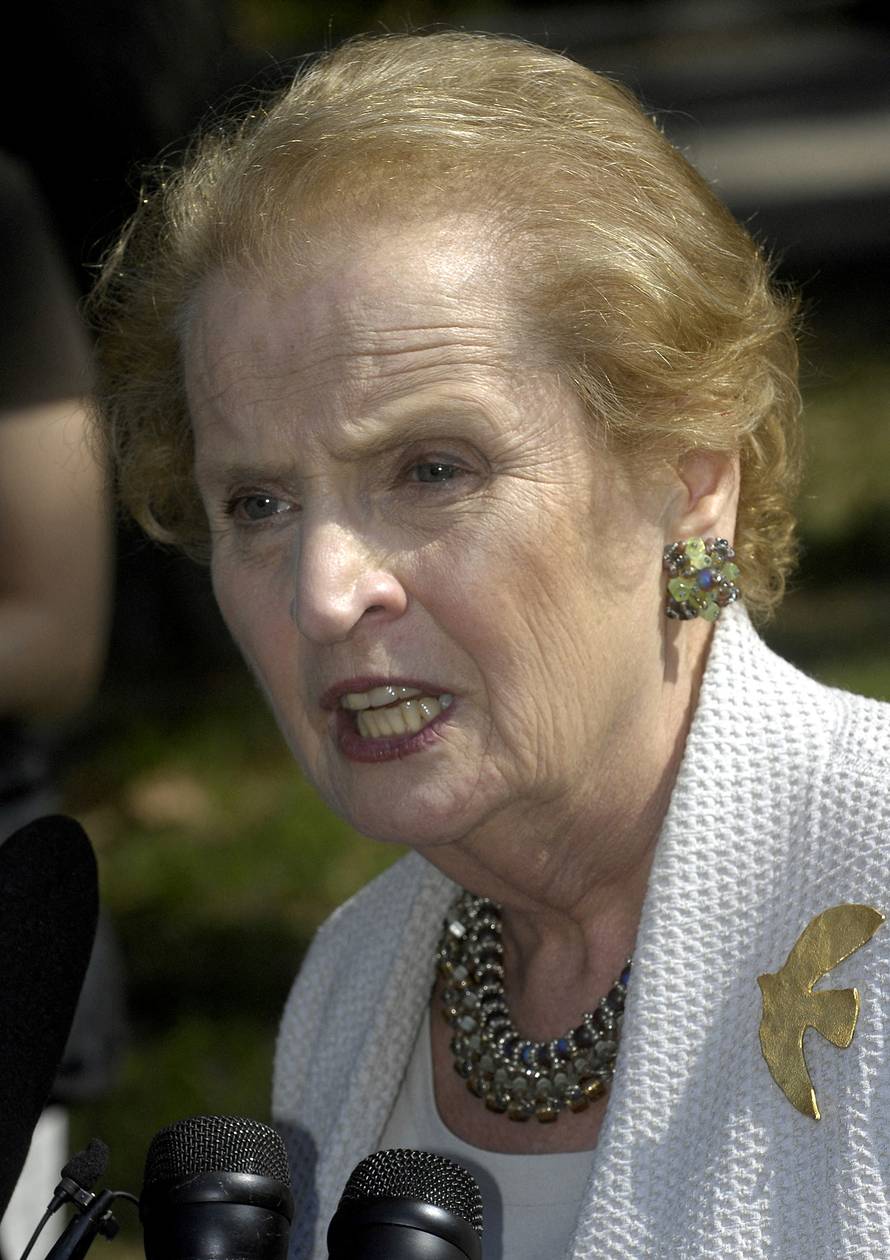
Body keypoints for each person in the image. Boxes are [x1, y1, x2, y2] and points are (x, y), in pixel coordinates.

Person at [89, 32, 890, 1259]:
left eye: (429, 470)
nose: (322, 595)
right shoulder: (353, 987)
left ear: (689, 484)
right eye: (255, 503)